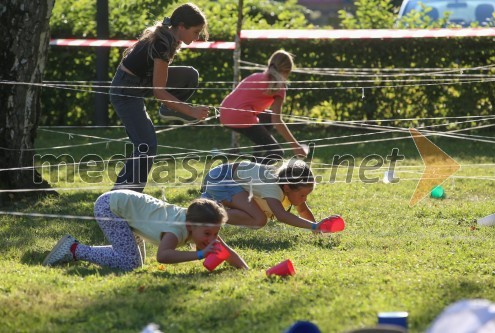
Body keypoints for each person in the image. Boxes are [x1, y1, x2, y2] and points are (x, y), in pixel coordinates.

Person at [110, 3, 210, 193]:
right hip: (125, 91)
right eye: (196, 32)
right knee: (146, 145)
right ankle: (122, 197)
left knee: (190, 75)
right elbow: (159, 91)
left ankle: (168, 110)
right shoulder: (162, 44)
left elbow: (158, 86)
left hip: (141, 82)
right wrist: (191, 111)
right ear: (181, 26)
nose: (197, 37)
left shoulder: (168, 37)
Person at [42, 190, 248, 271]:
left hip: (129, 211)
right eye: (208, 235)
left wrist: (245, 270)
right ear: (192, 226)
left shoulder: (202, 224)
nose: (212, 239)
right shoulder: (176, 230)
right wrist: (200, 254)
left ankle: (78, 249)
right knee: (129, 263)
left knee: (134, 262)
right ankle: (75, 249)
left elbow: (225, 250)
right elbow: (163, 256)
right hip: (112, 208)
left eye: (215, 233)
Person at [219, 50, 307, 163]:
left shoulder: (255, 76)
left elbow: (271, 118)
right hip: (240, 116)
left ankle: (256, 160)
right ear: (287, 71)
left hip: (224, 113)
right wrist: (296, 146)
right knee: (276, 152)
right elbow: (277, 120)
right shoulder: (279, 86)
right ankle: (252, 173)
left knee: (268, 118)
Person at [201, 159, 327, 230]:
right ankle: (206, 214)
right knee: (259, 219)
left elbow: (303, 210)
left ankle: (210, 208)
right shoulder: (274, 187)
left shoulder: (288, 186)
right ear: (288, 188)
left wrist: (317, 229)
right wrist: (314, 226)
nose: (304, 199)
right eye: (302, 195)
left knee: (257, 218)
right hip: (220, 179)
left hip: (223, 178)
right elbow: (282, 216)